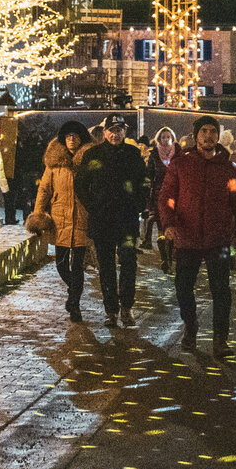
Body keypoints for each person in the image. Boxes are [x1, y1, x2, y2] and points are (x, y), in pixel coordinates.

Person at [158, 116, 236, 354]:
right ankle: (191, 326)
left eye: (213, 131)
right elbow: (166, 198)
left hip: (218, 239)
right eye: (204, 131)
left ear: (218, 136)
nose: (208, 136)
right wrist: (169, 225)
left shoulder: (229, 169)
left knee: (221, 291)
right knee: (183, 288)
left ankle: (220, 339)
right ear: (196, 135)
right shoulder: (181, 165)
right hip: (187, 238)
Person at [75, 116, 149, 329]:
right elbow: (80, 184)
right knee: (106, 267)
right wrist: (93, 206)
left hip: (126, 219)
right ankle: (111, 310)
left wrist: (138, 203)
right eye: (111, 130)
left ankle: (126, 307)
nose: (115, 134)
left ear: (125, 132)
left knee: (128, 263)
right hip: (102, 220)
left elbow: (143, 182)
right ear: (104, 132)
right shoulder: (93, 155)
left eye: (119, 130)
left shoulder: (133, 154)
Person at [29, 120, 93, 323]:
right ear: (63, 140)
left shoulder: (89, 162)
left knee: (78, 266)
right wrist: (38, 213)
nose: (72, 139)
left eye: (75, 135)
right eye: (68, 136)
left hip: (82, 218)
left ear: (81, 138)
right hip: (60, 219)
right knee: (62, 265)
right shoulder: (55, 165)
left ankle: (74, 304)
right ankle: (73, 294)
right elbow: (45, 190)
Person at [144, 126, 179, 266]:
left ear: (172, 138)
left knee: (173, 226)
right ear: (159, 139)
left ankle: (172, 253)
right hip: (159, 196)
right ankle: (165, 257)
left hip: (177, 196)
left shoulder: (178, 154)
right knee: (162, 226)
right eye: (163, 137)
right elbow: (149, 177)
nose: (165, 140)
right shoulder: (153, 155)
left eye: (168, 137)